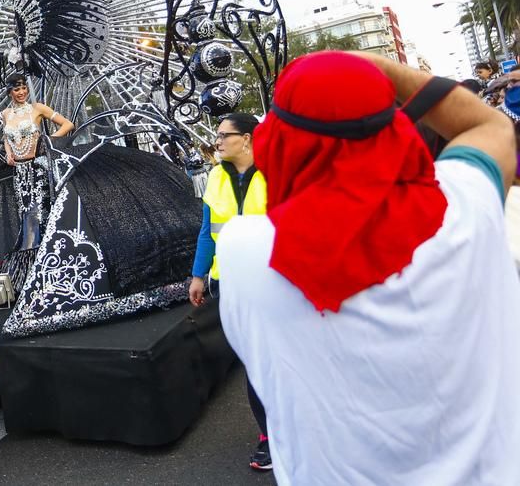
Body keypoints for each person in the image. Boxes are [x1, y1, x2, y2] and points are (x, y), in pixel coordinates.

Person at [217, 51, 520, 485]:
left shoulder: (244, 251)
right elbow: (488, 125)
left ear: (279, 144)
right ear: (394, 130)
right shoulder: (466, 204)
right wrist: (371, 68)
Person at [188, 112, 271, 471]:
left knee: (281, 357)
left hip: (272, 280)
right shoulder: (215, 178)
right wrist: (198, 275)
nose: (217, 142)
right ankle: (269, 435)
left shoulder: (276, 172)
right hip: (230, 282)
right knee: (253, 360)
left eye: (224, 135)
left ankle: (298, 427)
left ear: (248, 139)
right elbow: (208, 231)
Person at [1, 72, 74, 288]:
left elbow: (68, 124)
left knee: (40, 215)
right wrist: (8, 153)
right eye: (17, 89)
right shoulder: (5, 114)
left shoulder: (38, 108)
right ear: (10, 92)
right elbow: (7, 137)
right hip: (19, 174)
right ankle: (31, 276)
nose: (22, 92)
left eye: (24, 88)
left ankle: (51, 269)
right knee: (26, 218)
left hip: (37, 169)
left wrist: (47, 142)